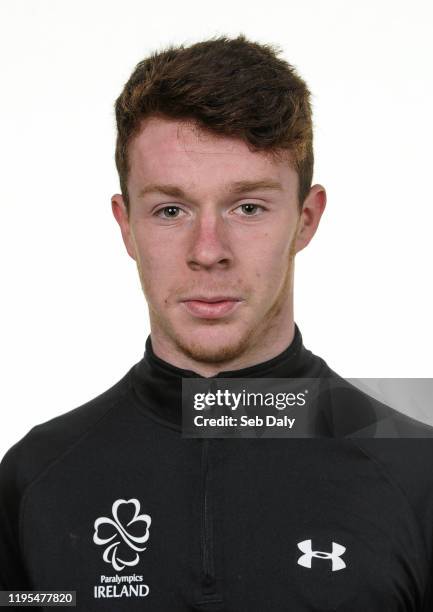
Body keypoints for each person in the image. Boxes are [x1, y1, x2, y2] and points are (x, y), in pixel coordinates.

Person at [1, 34, 433, 611]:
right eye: (170, 210)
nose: (208, 251)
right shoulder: (34, 482)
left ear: (306, 219)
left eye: (247, 207)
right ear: (125, 225)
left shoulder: (417, 476)